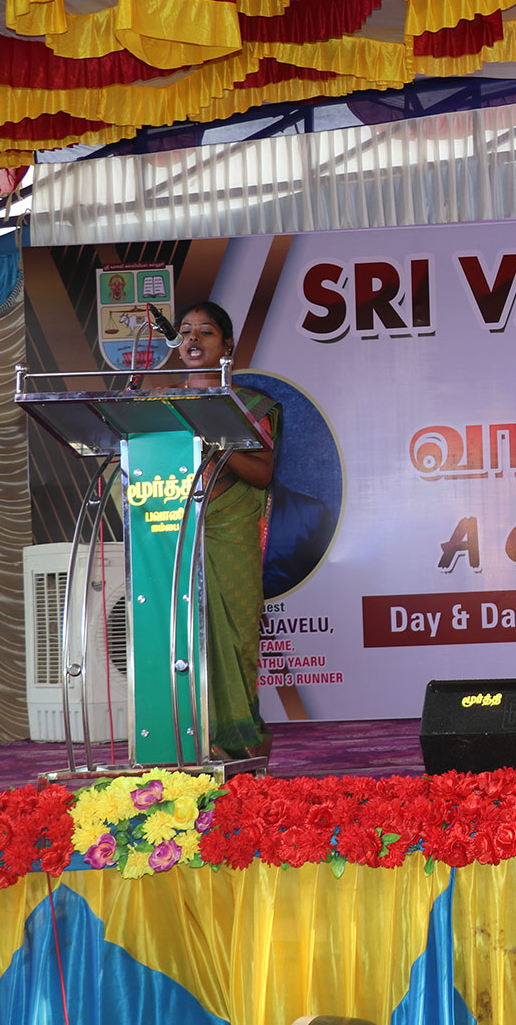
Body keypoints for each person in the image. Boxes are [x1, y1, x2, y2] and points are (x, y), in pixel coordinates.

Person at [176, 301, 280, 759]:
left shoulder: (249, 406)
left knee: (235, 639)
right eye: (186, 331)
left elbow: (262, 474)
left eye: (206, 331)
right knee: (180, 635)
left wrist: (218, 446)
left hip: (230, 530)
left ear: (227, 345)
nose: (193, 339)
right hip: (174, 529)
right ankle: (186, 735)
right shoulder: (160, 404)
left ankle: (238, 741)